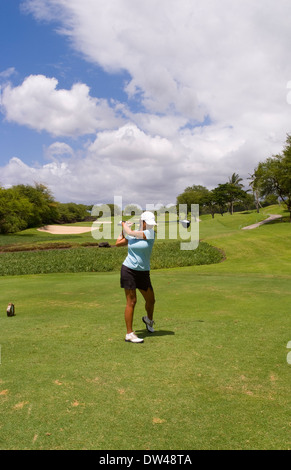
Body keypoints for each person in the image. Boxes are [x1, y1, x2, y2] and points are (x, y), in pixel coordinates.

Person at [116, 211, 157, 343]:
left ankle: (149, 320)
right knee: (132, 301)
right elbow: (118, 243)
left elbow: (132, 233)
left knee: (151, 300)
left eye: (152, 224)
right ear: (142, 222)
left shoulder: (150, 233)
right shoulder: (133, 234)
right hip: (128, 270)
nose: (150, 226)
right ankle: (129, 333)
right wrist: (123, 229)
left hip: (143, 272)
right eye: (148, 223)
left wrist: (124, 224)